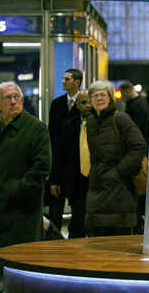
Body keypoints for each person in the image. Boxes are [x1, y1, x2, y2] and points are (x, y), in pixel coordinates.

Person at [0, 82, 50, 292]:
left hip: (23, 209)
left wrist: (15, 190)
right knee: (2, 259)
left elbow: (42, 169)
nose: (13, 102)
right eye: (8, 98)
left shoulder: (35, 128)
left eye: (17, 97)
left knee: (22, 261)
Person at [85, 80, 146, 237]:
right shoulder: (90, 123)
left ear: (110, 98)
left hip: (120, 192)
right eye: (95, 95)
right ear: (90, 100)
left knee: (118, 244)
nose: (99, 99)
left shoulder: (121, 119)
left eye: (103, 95)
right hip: (97, 190)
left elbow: (139, 147)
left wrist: (118, 172)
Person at [52, 89, 92, 238]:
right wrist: (54, 179)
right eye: (83, 102)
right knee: (78, 220)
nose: (88, 105)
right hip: (75, 179)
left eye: (90, 101)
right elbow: (59, 153)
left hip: (96, 179)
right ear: (77, 105)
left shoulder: (103, 123)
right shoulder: (68, 125)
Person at [48, 68, 82, 232]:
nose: (63, 81)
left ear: (77, 82)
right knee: (55, 210)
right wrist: (53, 175)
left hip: (78, 166)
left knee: (78, 211)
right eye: (63, 78)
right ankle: (53, 240)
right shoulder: (57, 104)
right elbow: (52, 135)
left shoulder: (85, 103)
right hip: (60, 164)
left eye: (67, 79)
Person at [118, 81, 149, 234]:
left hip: (138, 152)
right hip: (143, 150)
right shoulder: (142, 102)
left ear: (128, 91)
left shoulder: (134, 106)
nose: (122, 97)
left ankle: (138, 223)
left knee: (137, 186)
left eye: (123, 94)